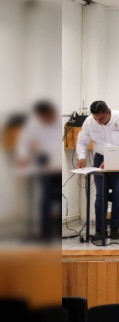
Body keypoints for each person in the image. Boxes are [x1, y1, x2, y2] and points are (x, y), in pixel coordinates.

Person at [76, 100, 119, 241]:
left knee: (118, 193)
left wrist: (111, 158)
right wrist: (82, 157)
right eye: (96, 119)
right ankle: (100, 230)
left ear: (108, 112)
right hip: (99, 158)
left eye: (102, 118)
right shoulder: (90, 121)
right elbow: (82, 141)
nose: (99, 122)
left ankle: (115, 229)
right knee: (100, 195)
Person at [15, 100, 62, 240]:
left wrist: (54, 160)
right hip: (43, 158)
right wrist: (23, 157)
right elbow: (24, 142)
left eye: (48, 116)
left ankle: (59, 229)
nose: (46, 119)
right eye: (43, 117)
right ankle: (45, 231)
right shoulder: (33, 124)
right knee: (45, 197)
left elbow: (59, 142)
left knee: (59, 197)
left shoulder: (59, 121)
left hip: (57, 158)